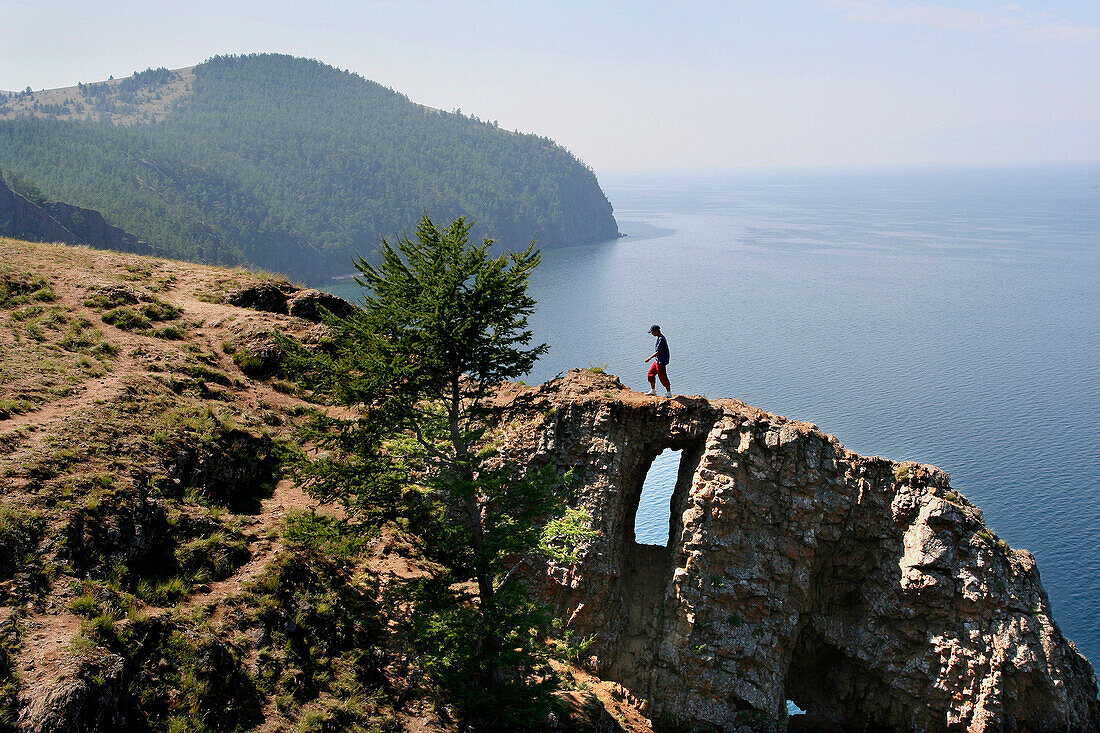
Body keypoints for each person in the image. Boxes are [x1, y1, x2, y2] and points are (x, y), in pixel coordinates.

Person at [644, 324, 671, 397]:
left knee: (662, 376)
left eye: (652, 332)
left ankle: (669, 392)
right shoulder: (659, 338)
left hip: (661, 361)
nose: (652, 334)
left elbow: (659, 352)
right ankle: (653, 391)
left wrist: (649, 358)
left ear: (656, 331)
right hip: (657, 360)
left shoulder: (662, 339)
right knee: (650, 374)